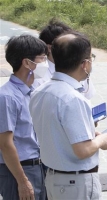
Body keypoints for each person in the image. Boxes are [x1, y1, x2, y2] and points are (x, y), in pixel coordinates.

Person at [29, 32, 107, 200]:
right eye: (91, 58)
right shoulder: (73, 99)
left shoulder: (39, 92)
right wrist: (102, 140)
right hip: (76, 183)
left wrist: (91, 136)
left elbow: (57, 133)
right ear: (85, 64)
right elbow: (82, 151)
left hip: (54, 179)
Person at [0, 35, 47, 200]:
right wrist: (22, 181)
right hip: (19, 170)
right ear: (27, 63)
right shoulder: (7, 97)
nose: (45, 63)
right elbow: (6, 144)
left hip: (37, 167)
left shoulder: (31, 92)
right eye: (42, 58)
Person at [33, 18, 95, 99]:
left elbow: (88, 95)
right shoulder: (39, 75)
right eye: (67, 45)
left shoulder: (80, 68)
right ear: (49, 48)